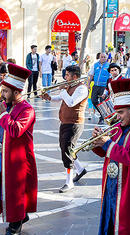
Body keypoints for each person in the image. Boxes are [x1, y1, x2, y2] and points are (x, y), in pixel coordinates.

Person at [91, 78, 130, 235]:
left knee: (129, 227)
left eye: (120, 113)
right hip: (110, 186)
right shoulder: (118, 127)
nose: (117, 117)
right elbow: (108, 152)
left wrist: (107, 143)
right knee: (110, 222)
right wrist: (97, 143)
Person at [0, 63, 37, 235]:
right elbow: (1, 129)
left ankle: (16, 223)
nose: (2, 95)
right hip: (3, 155)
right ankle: (19, 216)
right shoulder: (8, 106)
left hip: (18, 159)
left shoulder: (27, 110)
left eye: (5, 91)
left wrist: (1, 114)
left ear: (16, 91)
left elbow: (15, 130)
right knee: (3, 189)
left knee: (15, 191)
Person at [42, 65, 88, 193]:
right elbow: (62, 98)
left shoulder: (82, 88)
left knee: (67, 150)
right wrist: (49, 97)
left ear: (75, 76)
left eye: (67, 75)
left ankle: (69, 182)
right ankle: (80, 169)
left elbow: (71, 102)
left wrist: (62, 90)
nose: (65, 77)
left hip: (74, 123)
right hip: (65, 122)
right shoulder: (70, 86)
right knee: (66, 148)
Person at [88, 53, 110, 124]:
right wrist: (88, 84)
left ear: (106, 58)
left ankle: (102, 118)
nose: (103, 58)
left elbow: (110, 77)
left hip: (104, 87)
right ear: (99, 57)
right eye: (102, 57)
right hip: (96, 85)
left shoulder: (109, 66)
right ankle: (102, 113)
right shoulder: (95, 65)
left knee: (102, 102)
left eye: (104, 57)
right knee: (93, 100)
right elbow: (91, 75)